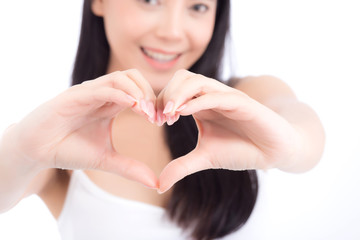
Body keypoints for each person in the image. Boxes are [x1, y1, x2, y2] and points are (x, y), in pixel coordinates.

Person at [0, 0, 325, 239]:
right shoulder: (61, 137)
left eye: (197, 7)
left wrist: (291, 146)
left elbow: (305, 133)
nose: (172, 32)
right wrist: (20, 149)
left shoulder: (246, 101)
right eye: (151, 0)